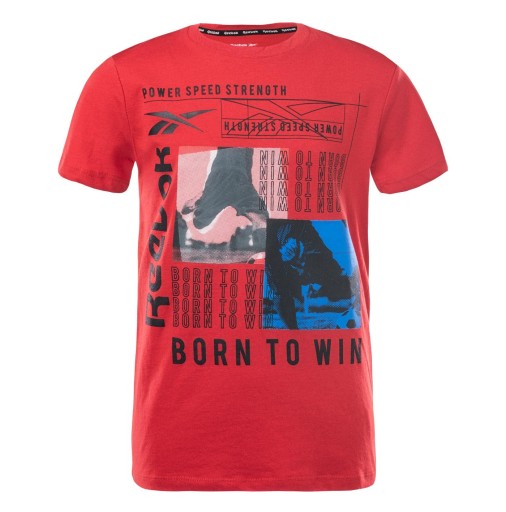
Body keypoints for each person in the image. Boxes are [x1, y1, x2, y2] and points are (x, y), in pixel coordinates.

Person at [265, 220, 353, 329]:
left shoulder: (319, 260)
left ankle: (293, 330)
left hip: (293, 236)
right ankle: (293, 330)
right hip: (282, 232)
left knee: (280, 288)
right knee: (279, 289)